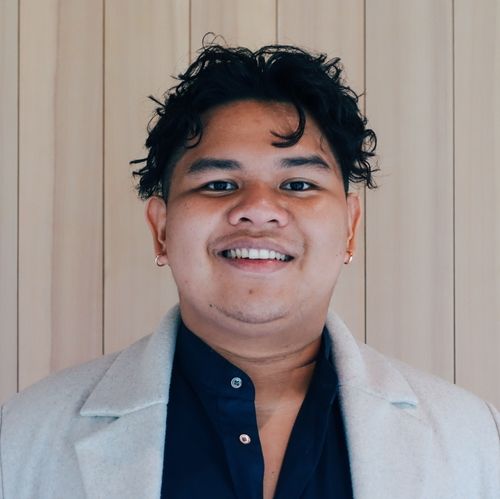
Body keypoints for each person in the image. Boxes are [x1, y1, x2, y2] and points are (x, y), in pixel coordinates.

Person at [0, 43, 498, 499]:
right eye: (218, 184)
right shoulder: (24, 434)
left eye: (298, 184)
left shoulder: (473, 437)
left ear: (350, 227)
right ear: (161, 229)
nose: (259, 209)